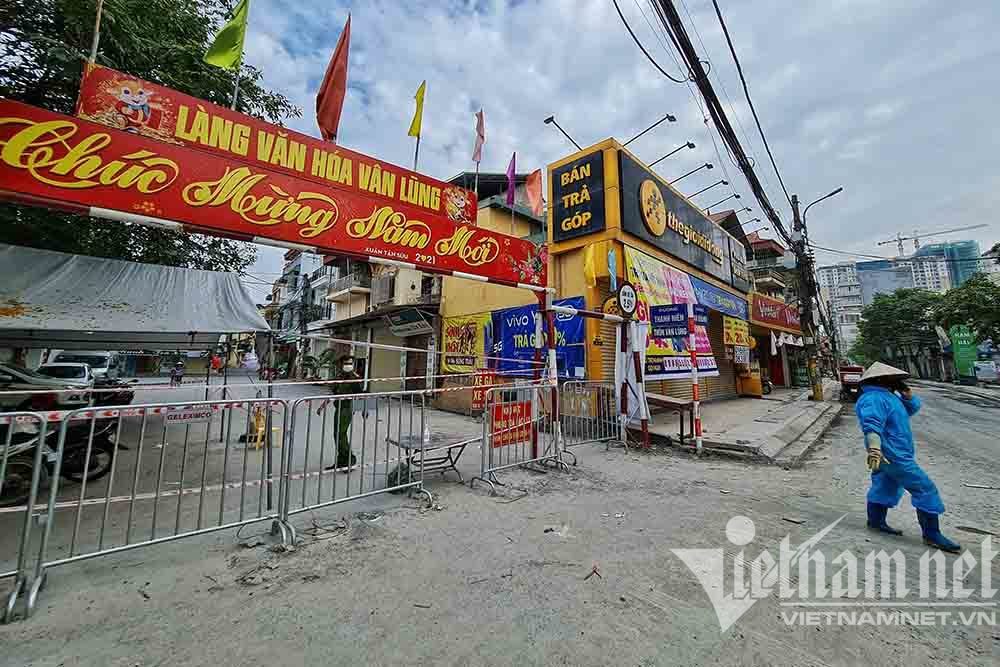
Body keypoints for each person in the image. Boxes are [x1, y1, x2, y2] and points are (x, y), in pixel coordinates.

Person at [855, 362, 961, 552]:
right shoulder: (874, 398)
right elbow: (871, 425)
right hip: (893, 454)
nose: (897, 381)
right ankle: (932, 534)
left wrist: (908, 397)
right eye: (893, 379)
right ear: (881, 379)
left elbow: (905, 412)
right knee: (924, 488)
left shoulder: (888, 396)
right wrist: (874, 449)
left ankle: (876, 521)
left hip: (894, 452)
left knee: (885, 485)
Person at [322, 355, 363, 472]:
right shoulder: (339, 376)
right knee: (337, 435)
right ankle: (341, 461)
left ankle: (350, 460)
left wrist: (364, 410)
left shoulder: (354, 378)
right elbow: (334, 393)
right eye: (346, 363)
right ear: (341, 364)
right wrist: (323, 405)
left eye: (350, 363)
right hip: (339, 407)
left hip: (348, 408)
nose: (348, 366)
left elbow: (360, 394)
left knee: (341, 434)